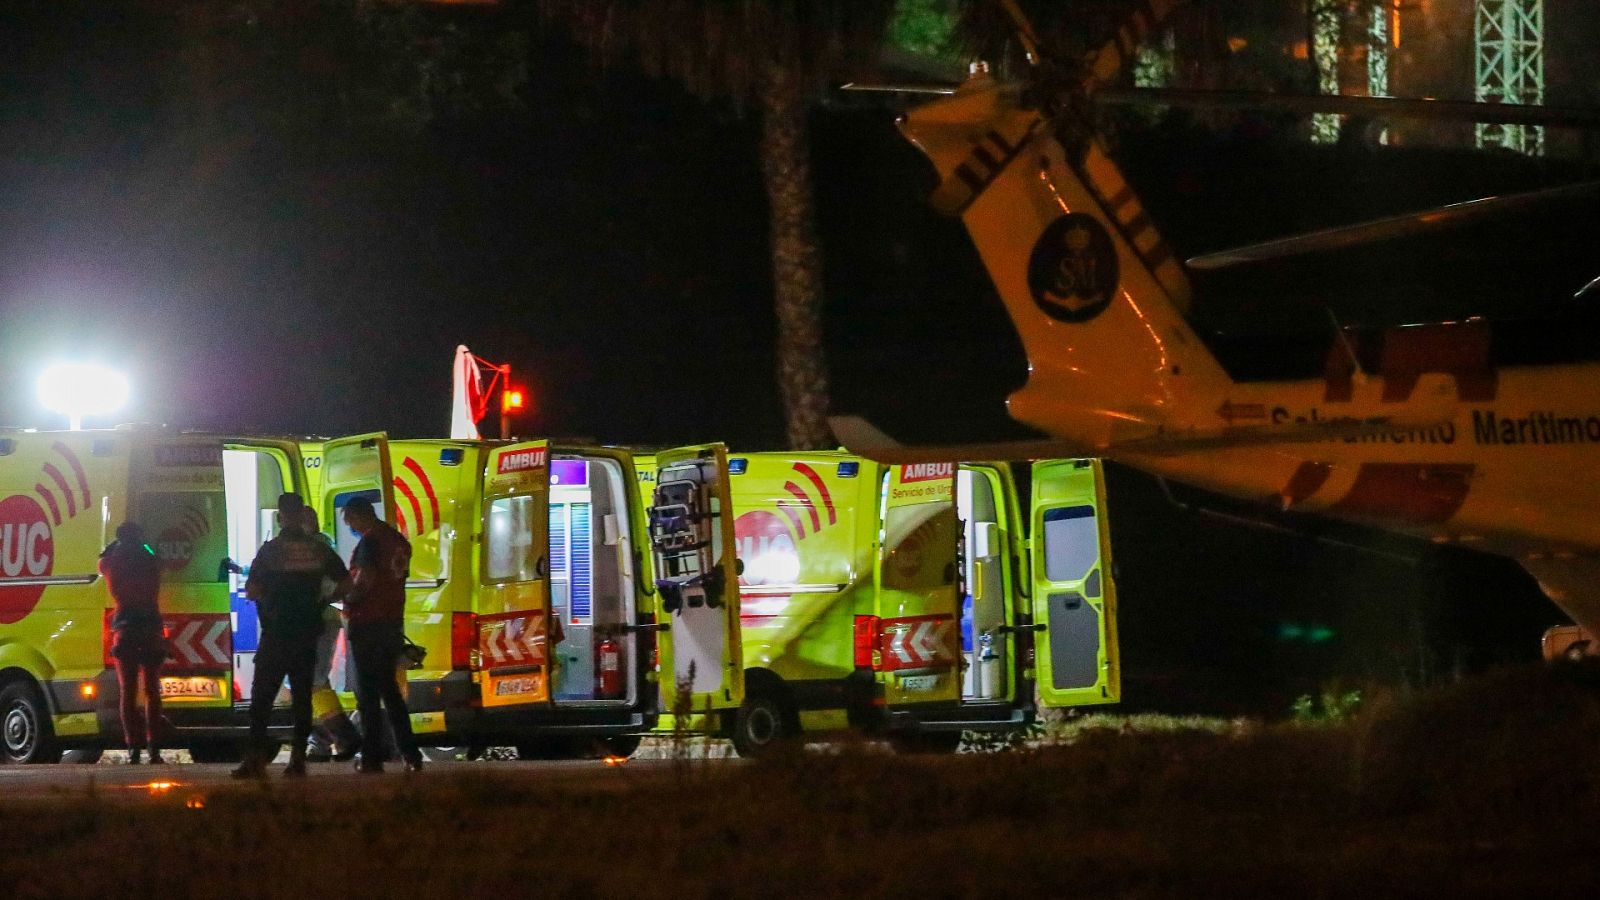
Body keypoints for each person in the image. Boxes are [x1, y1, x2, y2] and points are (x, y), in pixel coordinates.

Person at [233, 493, 349, 779]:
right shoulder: (317, 550)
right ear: (301, 514)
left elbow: (252, 589)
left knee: (262, 699)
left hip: (276, 633)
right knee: (302, 699)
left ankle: (255, 761)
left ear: (280, 516)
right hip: (306, 632)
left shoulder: (271, 551)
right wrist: (322, 600)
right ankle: (298, 760)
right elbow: (345, 582)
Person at [342, 495, 423, 773]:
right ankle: (411, 754)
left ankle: (371, 758)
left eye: (349, 519)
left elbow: (364, 581)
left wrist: (347, 598)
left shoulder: (370, 542)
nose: (348, 524)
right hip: (391, 623)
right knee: (390, 692)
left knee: (367, 695)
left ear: (358, 515)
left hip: (368, 623)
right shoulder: (397, 540)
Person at [98, 523, 167, 765]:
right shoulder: (149, 560)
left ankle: (133, 748)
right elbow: (158, 563)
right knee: (151, 690)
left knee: (127, 691)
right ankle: (155, 748)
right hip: (150, 628)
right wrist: (144, 546)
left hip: (125, 629)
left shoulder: (113, 562)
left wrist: (112, 547)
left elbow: (101, 561)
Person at [299, 506, 362, 762]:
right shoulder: (322, 545)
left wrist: (324, 600)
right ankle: (323, 741)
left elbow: (341, 583)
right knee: (313, 681)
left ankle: (342, 736)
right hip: (319, 619)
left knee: (313, 679)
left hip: (318, 620)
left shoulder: (314, 547)